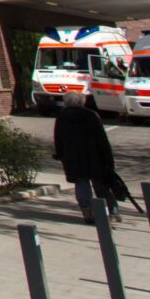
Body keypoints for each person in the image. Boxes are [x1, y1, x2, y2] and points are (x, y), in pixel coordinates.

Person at [53, 93, 119, 221]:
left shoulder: (62, 117)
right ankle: (112, 211)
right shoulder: (90, 115)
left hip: (73, 156)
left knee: (81, 183)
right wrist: (108, 158)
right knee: (101, 183)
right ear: (82, 101)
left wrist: (60, 154)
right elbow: (102, 139)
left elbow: (58, 138)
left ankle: (87, 211)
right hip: (93, 155)